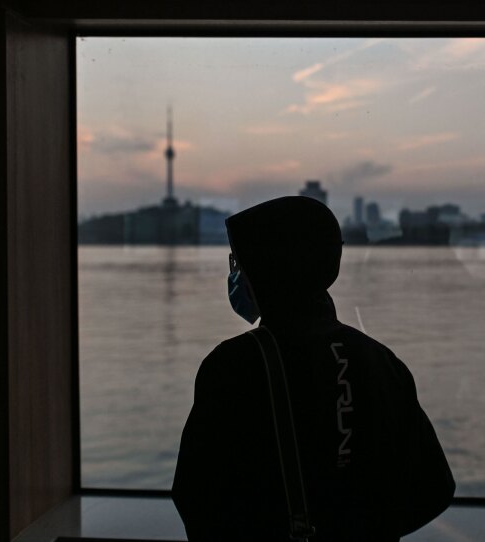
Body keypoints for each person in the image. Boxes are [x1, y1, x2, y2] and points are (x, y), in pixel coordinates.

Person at [172, 196, 455, 541]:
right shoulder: (380, 361)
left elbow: (196, 498)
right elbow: (433, 489)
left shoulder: (233, 368)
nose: (235, 274)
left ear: (265, 268)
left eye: (237, 262)